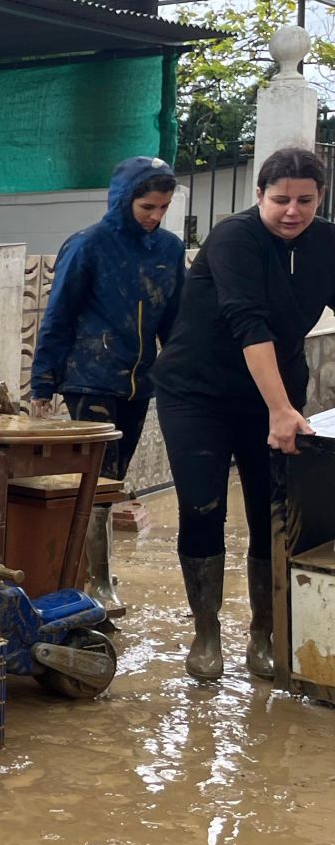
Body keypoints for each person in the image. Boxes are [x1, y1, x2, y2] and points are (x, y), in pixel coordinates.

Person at [152, 146, 334, 681]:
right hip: (198, 394)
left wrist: (282, 405)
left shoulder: (326, 242)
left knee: (272, 513)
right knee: (203, 506)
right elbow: (248, 323)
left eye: (305, 200)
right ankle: (206, 630)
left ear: (319, 198)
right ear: (259, 196)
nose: (292, 211)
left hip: (276, 392)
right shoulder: (234, 237)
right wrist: (281, 411)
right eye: (280, 199)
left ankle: (264, 631)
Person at [29, 156, 185, 613]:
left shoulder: (170, 250)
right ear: (123, 200)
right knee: (95, 481)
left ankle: (94, 571)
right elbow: (57, 317)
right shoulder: (88, 246)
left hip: (139, 385)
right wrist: (42, 384)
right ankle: (96, 583)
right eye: (147, 207)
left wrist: (179, 374)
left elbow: (175, 322)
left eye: (163, 208)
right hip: (89, 379)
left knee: (114, 480)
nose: (156, 217)